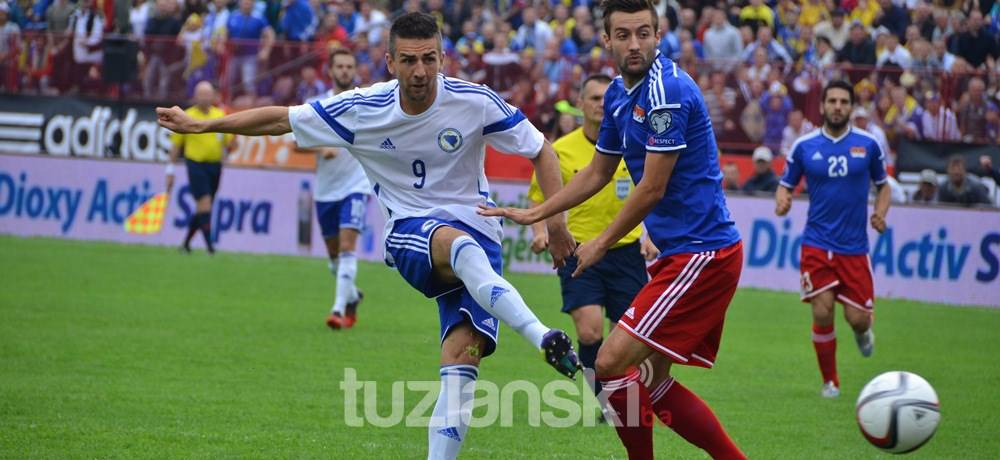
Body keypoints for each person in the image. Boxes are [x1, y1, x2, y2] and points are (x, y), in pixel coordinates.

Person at [157, 13, 581, 460]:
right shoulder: (361, 108)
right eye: (409, 60)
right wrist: (205, 125)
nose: (420, 71)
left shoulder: (474, 101)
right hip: (412, 234)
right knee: (457, 244)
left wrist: (556, 225)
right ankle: (542, 336)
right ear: (389, 63)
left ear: (443, 58)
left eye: (429, 59)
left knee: (461, 363)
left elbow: (541, 150)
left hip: (480, 239)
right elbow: (280, 120)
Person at [483, 1, 746, 458]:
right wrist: (541, 212)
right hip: (684, 254)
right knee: (651, 382)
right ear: (606, 40)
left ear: (658, 35)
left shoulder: (666, 91)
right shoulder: (620, 95)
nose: (634, 44)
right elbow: (598, 172)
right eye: (623, 35)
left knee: (607, 363)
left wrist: (601, 243)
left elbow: (652, 188)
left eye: (643, 33)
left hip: (702, 254)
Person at [526, 74, 660, 399]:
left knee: (626, 339)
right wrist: (541, 230)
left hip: (626, 251)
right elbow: (538, 196)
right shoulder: (560, 150)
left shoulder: (635, 143)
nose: (602, 104)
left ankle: (628, 398)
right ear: (581, 104)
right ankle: (603, 399)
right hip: (578, 250)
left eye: (606, 98)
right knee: (589, 330)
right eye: (595, 98)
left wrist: (651, 235)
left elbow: (654, 190)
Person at [775, 80, 892, 399]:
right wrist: (782, 200)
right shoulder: (805, 146)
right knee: (822, 311)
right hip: (816, 243)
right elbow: (786, 183)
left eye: (844, 101)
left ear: (852, 107)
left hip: (854, 248)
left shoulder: (868, 145)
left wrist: (881, 213)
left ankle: (863, 331)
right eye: (832, 101)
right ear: (823, 106)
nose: (838, 106)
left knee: (857, 319)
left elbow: (884, 186)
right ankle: (831, 382)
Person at [301, 49, 370, 330]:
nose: (344, 70)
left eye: (349, 66)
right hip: (326, 190)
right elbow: (296, 140)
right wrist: (322, 148)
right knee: (333, 258)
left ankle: (338, 309)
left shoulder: (365, 105)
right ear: (330, 71)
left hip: (357, 186)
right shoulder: (316, 105)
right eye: (339, 66)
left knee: (346, 248)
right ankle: (352, 295)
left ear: (355, 71)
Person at [165, 81, 233, 254]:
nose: (205, 97)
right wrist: (170, 170)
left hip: (215, 166)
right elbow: (175, 147)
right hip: (195, 164)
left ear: (213, 96)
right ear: (195, 96)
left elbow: (230, 142)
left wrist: (233, 145)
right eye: (201, 94)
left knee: (204, 206)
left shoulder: (220, 114)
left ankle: (186, 244)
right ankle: (210, 247)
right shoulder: (187, 116)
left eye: (208, 94)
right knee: (204, 202)